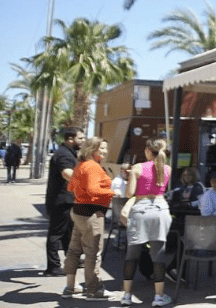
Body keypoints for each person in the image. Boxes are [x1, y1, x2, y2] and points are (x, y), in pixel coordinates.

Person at [63, 137, 114, 300]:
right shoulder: (92, 166)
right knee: (93, 253)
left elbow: (71, 186)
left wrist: (83, 192)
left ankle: (70, 287)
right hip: (91, 213)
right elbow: (93, 190)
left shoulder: (81, 165)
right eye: (102, 149)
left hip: (78, 211)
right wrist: (112, 193)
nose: (105, 151)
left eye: (106, 148)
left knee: (74, 250)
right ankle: (94, 290)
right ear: (93, 149)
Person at [123, 138, 173, 307]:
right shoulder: (167, 169)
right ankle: (158, 297)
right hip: (160, 209)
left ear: (147, 151)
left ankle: (127, 295)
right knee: (158, 254)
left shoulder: (137, 168)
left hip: (141, 209)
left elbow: (129, 193)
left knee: (132, 253)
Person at [44, 127, 85, 277]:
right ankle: (53, 267)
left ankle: (72, 259)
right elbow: (67, 173)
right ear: (70, 139)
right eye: (80, 138)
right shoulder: (63, 155)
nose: (83, 141)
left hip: (67, 200)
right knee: (56, 233)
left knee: (69, 232)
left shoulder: (69, 153)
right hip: (61, 201)